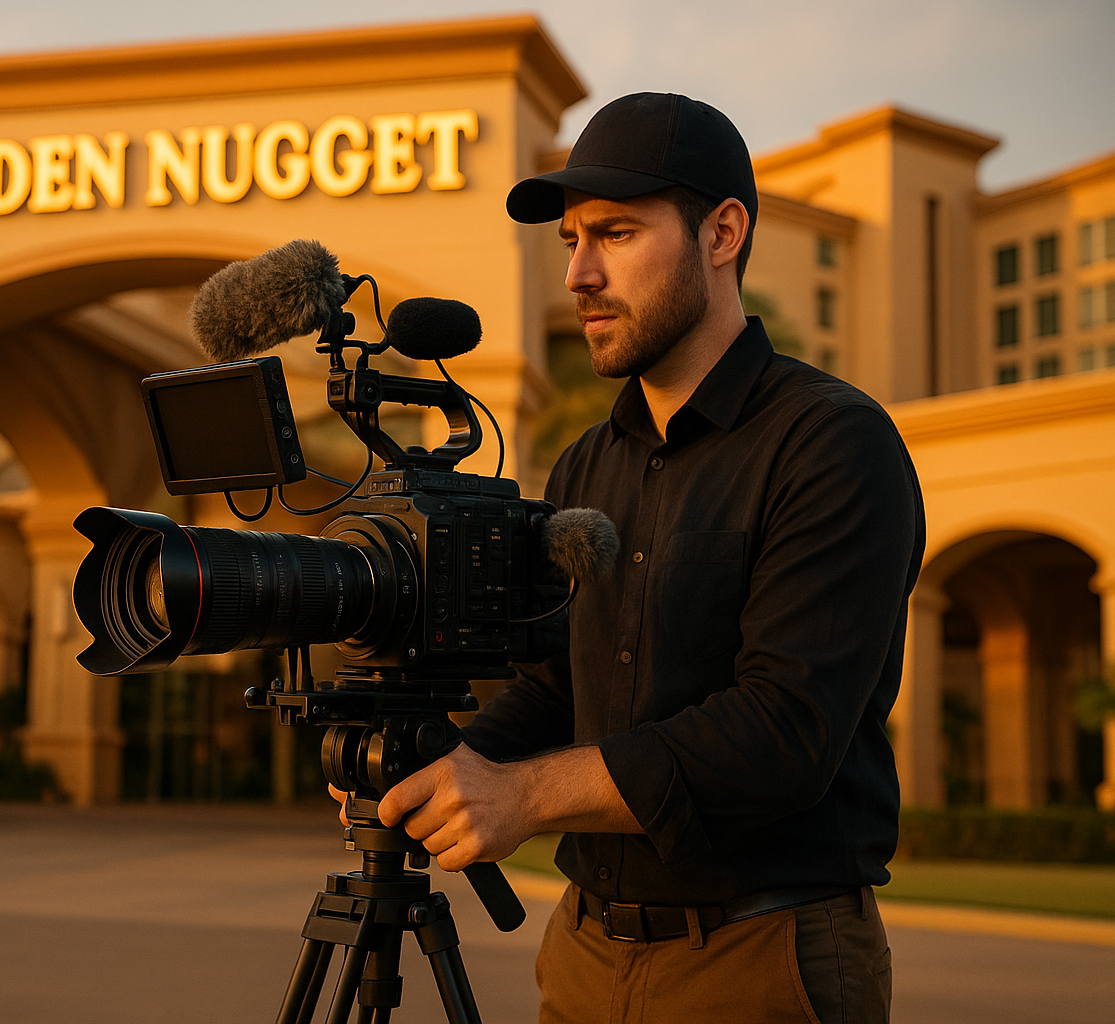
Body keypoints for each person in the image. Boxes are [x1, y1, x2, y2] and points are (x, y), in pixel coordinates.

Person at [339, 92, 924, 1023]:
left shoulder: (832, 444)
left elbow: (783, 732)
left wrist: (524, 795)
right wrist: (436, 766)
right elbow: (554, 684)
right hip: (582, 951)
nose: (579, 273)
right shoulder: (585, 464)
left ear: (722, 233)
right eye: (572, 240)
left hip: (759, 956)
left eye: (615, 234)